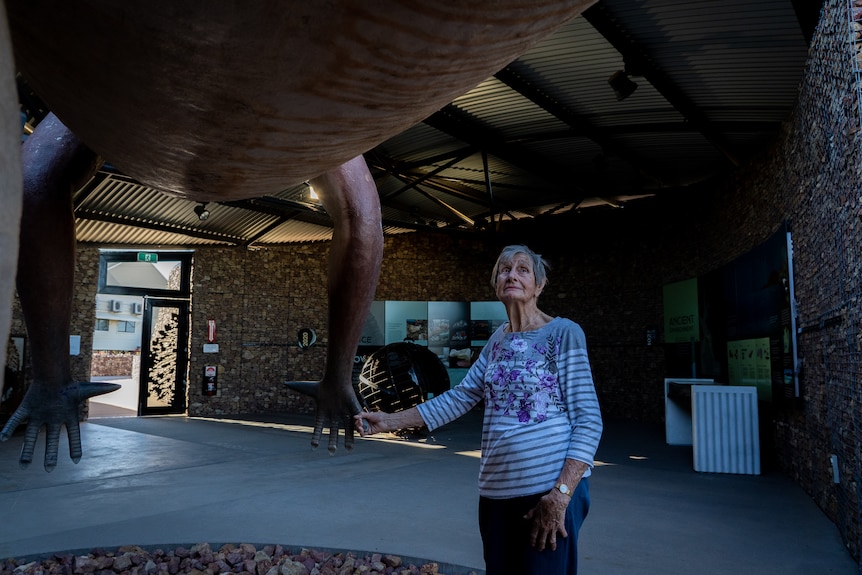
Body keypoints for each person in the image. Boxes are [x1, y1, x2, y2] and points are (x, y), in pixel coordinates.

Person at [355, 244, 603, 575]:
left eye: (522, 269)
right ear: (495, 283)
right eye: (504, 269)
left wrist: (560, 495)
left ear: (539, 285)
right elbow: (460, 397)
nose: (511, 274)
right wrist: (387, 421)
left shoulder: (563, 333)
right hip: (497, 495)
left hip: (547, 492)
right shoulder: (497, 341)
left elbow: (589, 421)